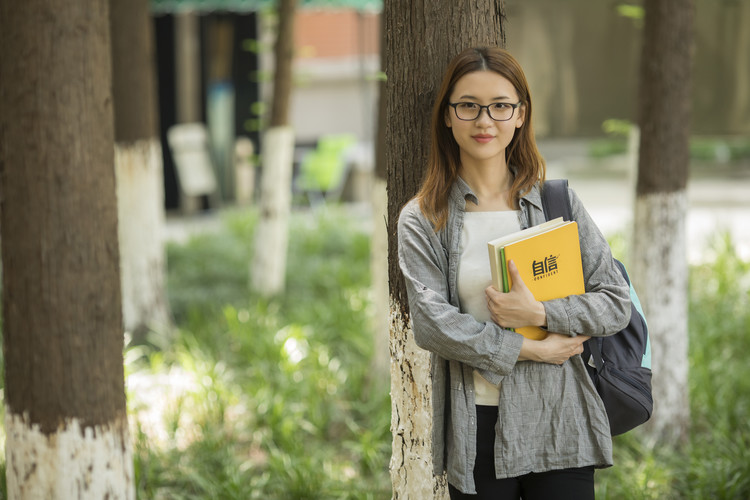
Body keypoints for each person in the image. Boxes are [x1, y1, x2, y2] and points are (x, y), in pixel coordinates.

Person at [397, 47, 632, 499]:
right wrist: (528, 349)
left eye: (500, 106)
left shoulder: (555, 203)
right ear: (447, 116)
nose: (485, 121)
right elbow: (432, 325)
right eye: (468, 106)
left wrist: (541, 312)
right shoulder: (424, 218)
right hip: (478, 427)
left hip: (560, 421)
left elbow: (615, 302)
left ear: (521, 114)